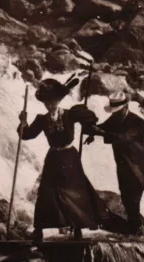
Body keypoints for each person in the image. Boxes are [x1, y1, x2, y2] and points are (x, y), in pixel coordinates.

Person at [18, 78, 108, 242]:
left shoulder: (69, 114)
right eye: (47, 103)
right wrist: (23, 121)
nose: (50, 106)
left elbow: (88, 119)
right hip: (53, 157)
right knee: (46, 192)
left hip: (69, 157)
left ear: (58, 101)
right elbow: (27, 135)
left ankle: (78, 228)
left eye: (53, 102)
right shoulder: (42, 119)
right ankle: (39, 229)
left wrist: (89, 124)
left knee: (74, 191)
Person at [85, 92, 144, 235]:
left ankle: (137, 232)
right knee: (126, 199)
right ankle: (136, 231)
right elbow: (102, 127)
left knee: (132, 202)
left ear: (126, 107)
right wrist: (91, 128)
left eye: (118, 110)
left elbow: (124, 138)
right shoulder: (116, 118)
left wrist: (101, 133)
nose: (115, 113)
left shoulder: (137, 122)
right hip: (123, 167)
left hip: (138, 169)